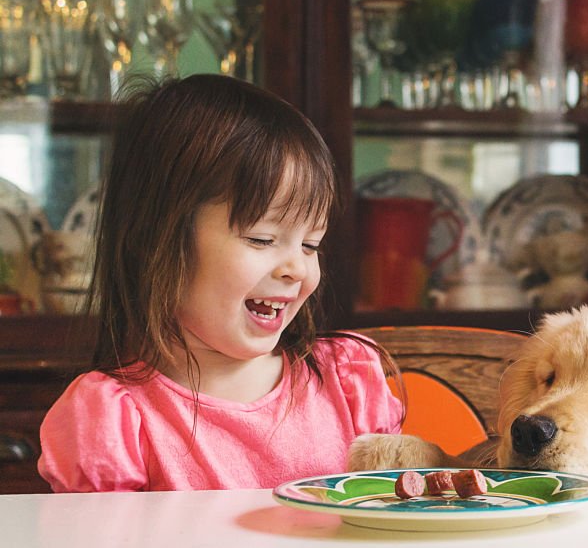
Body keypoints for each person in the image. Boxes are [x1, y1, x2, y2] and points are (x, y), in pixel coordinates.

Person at [38, 74, 404, 492]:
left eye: (310, 244)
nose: (297, 269)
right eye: (261, 239)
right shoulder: (114, 422)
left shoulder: (348, 383)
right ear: (153, 238)